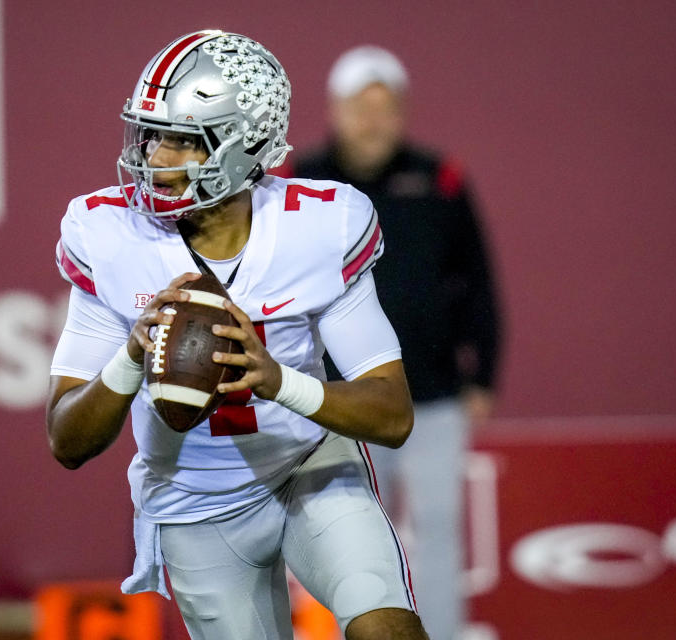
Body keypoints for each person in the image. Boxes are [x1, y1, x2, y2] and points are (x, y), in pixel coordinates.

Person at [45, 31, 429, 640]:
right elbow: (66, 438)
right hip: (195, 502)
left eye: (182, 140)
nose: (155, 157)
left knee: (387, 630)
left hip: (310, 468)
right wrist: (130, 358)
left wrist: (280, 383)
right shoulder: (108, 236)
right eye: (151, 134)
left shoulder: (319, 227)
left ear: (241, 145)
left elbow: (392, 414)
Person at [291, 46, 502, 640]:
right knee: (343, 529)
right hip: (341, 399)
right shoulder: (300, 184)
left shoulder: (441, 180)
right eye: (361, 107)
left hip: (433, 394)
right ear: (336, 111)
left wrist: (481, 376)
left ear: (403, 112)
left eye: (386, 108)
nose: (373, 121)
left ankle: (440, 632)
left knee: (438, 526)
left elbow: (477, 281)